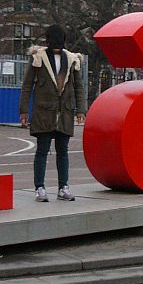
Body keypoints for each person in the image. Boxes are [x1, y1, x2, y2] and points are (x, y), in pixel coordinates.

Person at [19, 24, 87, 202]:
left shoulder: (72, 59)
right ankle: (39, 188)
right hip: (44, 112)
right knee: (42, 151)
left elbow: (78, 87)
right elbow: (27, 85)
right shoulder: (38, 58)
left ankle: (63, 187)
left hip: (64, 112)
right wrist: (24, 110)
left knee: (62, 151)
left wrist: (81, 109)